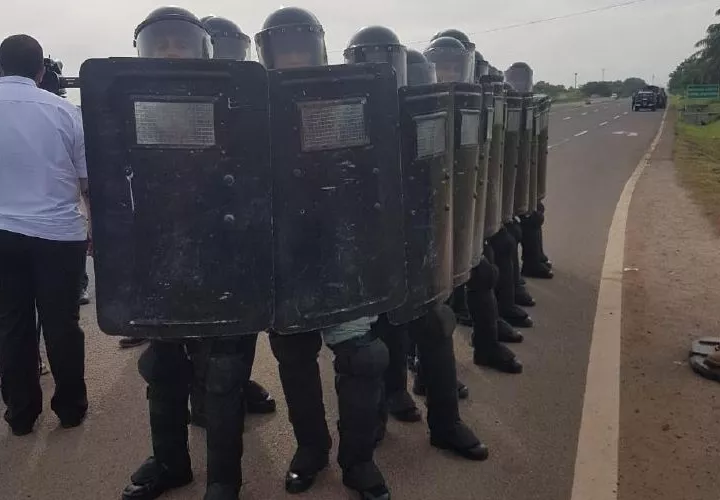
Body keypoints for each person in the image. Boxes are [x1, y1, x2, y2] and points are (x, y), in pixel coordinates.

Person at [116, 7, 258, 500]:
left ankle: (223, 480)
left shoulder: (239, 99)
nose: (172, 52)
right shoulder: (124, 102)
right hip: (162, 256)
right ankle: (171, 463)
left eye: (181, 43)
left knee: (222, 374)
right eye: (162, 44)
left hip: (224, 250)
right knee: (164, 366)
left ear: (201, 49)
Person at [256, 8, 393, 500]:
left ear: (319, 53)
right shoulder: (251, 107)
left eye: (301, 52)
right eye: (283, 53)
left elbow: (375, 175)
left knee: (361, 358)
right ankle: (310, 449)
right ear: (266, 55)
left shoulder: (346, 100)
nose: (293, 63)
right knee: (294, 358)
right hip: (283, 257)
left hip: (342, 253)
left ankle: (358, 461)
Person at [0, 34, 89, 436]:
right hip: (58, 233)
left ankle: (21, 414)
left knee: (11, 323)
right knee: (62, 323)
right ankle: (70, 408)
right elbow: (87, 181)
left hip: (2, 233)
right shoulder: (65, 112)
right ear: (41, 70)